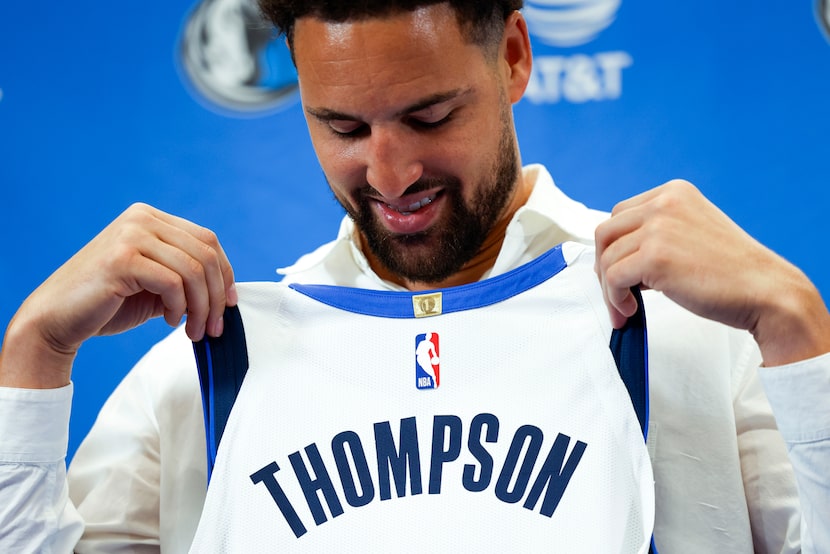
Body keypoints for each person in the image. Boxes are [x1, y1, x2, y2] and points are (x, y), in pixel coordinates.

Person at [0, 0, 828, 551]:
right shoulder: (204, 362)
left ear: (511, 56)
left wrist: (798, 328)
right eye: (343, 127)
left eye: (429, 117)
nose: (389, 174)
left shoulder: (701, 324)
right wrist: (32, 358)